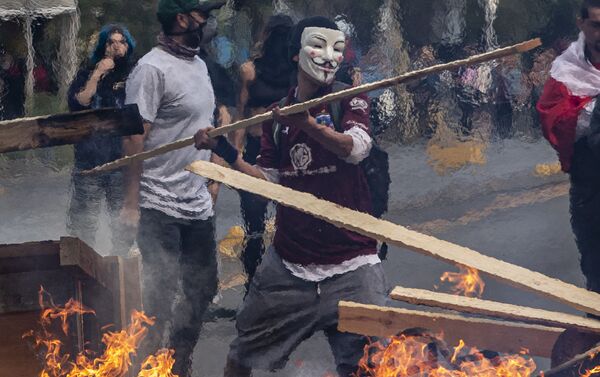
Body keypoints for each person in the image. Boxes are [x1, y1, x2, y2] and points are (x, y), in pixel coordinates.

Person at [194, 16, 388, 377]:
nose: (329, 57)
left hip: (353, 265)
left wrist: (309, 126)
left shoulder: (349, 99)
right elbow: (270, 180)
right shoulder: (277, 118)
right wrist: (226, 150)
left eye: (338, 49)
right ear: (297, 54)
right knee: (241, 357)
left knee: (372, 367)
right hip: (289, 267)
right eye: (319, 45)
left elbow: (356, 149)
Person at [121, 0, 225, 375]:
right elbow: (134, 138)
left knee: (203, 288)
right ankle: (149, 366)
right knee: (158, 298)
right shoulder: (150, 69)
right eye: (202, 15)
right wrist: (131, 204)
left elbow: (205, 126)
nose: (207, 22)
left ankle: (178, 363)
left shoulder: (198, 65)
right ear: (182, 19)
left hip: (195, 203)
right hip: (157, 201)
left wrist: (212, 178)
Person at [537, 0, 600, 302]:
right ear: (582, 25)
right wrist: (595, 109)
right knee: (596, 271)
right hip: (592, 188)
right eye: (596, 25)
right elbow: (553, 120)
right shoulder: (566, 70)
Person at [230, 14, 295, 284]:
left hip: (288, 147)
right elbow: (241, 116)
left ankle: (275, 282)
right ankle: (255, 284)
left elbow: (241, 115)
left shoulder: (299, 69)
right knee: (256, 225)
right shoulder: (250, 70)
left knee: (278, 221)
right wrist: (234, 156)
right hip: (263, 149)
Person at [66, 24, 137, 255]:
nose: (116, 46)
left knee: (123, 227)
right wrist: (97, 74)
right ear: (102, 46)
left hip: (121, 163)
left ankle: (120, 272)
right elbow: (79, 103)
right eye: (111, 42)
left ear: (128, 46)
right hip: (89, 163)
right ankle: (83, 276)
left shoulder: (136, 74)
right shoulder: (87, 73)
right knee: (83, 227)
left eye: (121, 41)